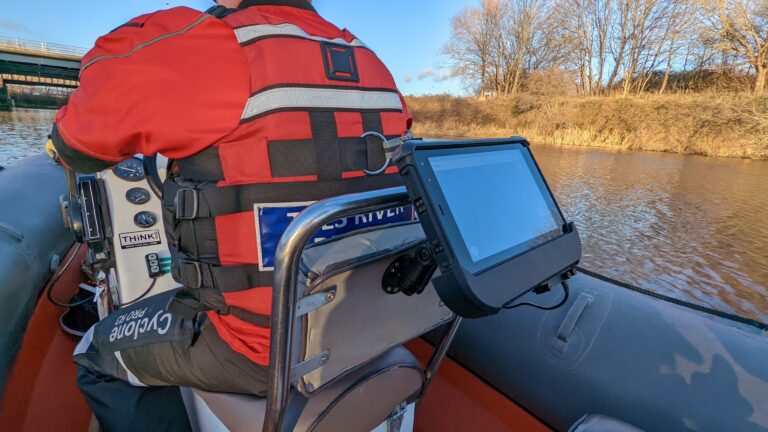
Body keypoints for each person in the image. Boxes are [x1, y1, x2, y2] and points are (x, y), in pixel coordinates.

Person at [49, 0, 411, 430]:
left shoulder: (210, 39)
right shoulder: (373, 63)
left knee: (94, 352)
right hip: (363, 326)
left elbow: (74, 144)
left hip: (258, 351)